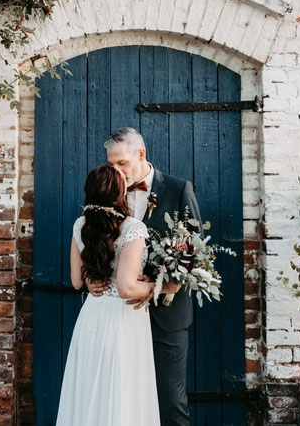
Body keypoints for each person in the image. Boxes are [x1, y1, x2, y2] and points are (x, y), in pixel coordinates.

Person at [87, 127, 202, 426]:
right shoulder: (107, 191)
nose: (116, 171)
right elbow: (92, 241)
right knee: (122, 399)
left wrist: (173, 282)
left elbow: (194, 247)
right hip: (119, 316)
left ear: (141, 154)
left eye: (121, 163)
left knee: (170, 400)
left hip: (167, 314)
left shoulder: (178, 189)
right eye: (111, 164)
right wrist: (91, 277)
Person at [55, 163, 160, 426]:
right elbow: (126, 288)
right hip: (123, 319)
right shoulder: (132, 228)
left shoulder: (80, 224)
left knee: (89, 389)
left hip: (92, 314)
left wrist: (94, 279)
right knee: (122, 390)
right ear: (119, 192)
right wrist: (161, 286)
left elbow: (77, 281)